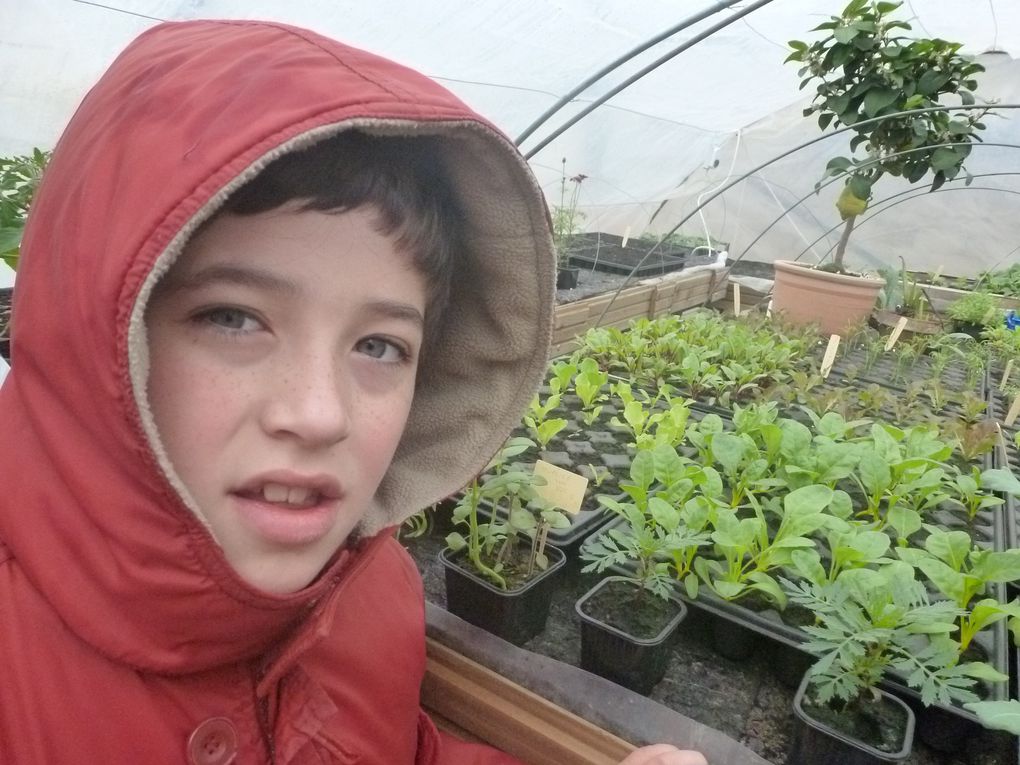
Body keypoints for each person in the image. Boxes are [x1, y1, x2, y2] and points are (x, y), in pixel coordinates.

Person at [0, 19, 708, 765]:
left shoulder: (370, 591)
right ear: (98, 326)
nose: (319, 414)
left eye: (379, 346)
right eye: (233, 318)